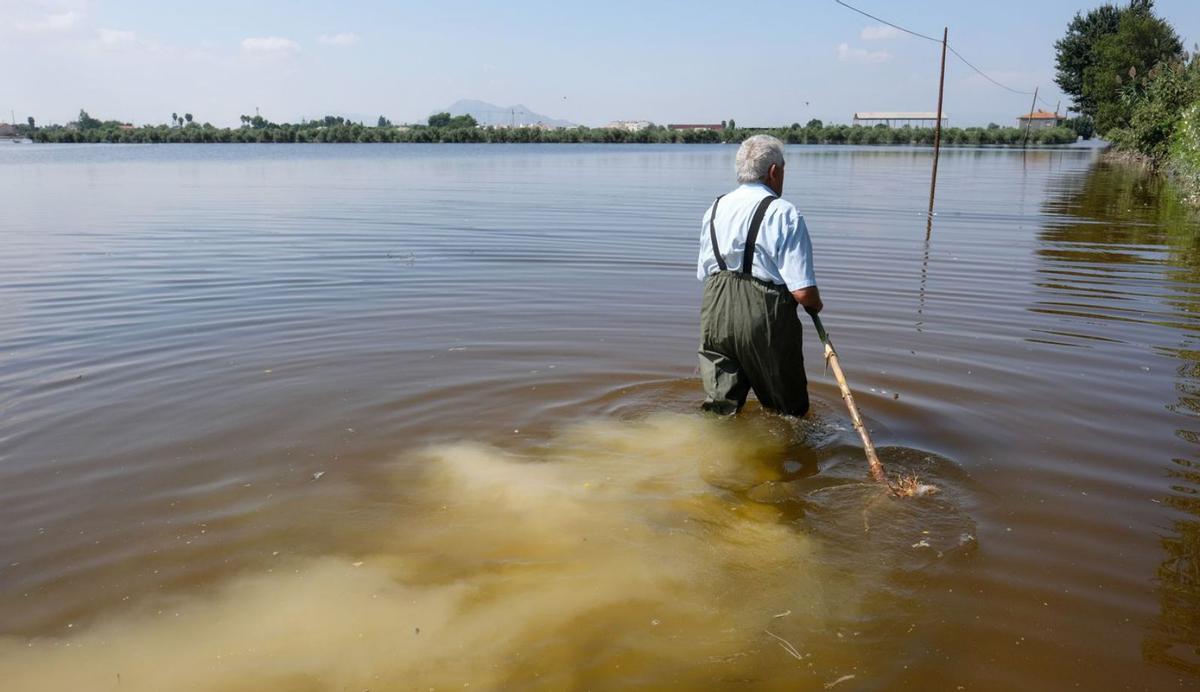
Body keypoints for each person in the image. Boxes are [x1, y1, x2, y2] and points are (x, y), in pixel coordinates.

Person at [696, 134, 822, 416]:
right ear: (774, 172)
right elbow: (802, 292)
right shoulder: (784, 212)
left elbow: (706, 271)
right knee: (788, 413)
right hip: (763, 318)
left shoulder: (714, 209)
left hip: (715, 313)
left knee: (720, 412)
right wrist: (816, 304)